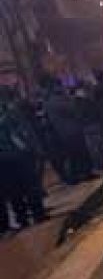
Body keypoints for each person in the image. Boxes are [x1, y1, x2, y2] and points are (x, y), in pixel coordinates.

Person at [0, 87, 47, 231]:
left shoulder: (10, 114)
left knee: (15, 191)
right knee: (28, 186)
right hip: (17, 156)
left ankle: (24, 218)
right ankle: (37, 214)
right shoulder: (11, 114)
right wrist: (33, 149)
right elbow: (24, 133)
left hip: (5, 159)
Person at [42, 77, 93, 183]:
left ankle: (79, 175)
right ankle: (84, 174)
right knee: (80, 153)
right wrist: (72, 99)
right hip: (72, 130)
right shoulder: (59, 99)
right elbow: (72, 109)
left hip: (62, 132)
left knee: (74, 155)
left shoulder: (48, 101)